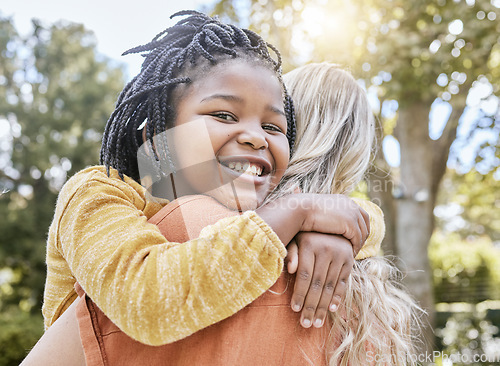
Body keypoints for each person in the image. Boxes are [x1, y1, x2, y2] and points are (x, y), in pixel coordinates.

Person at [22, 60, 420, 365]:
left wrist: (344, 220)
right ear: (157, 140)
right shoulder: (101, 193)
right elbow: (151, 298)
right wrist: (307, 212)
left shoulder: (252, 224)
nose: (253, 136)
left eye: (274, 126)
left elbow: (348, 214)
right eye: (224, 115)